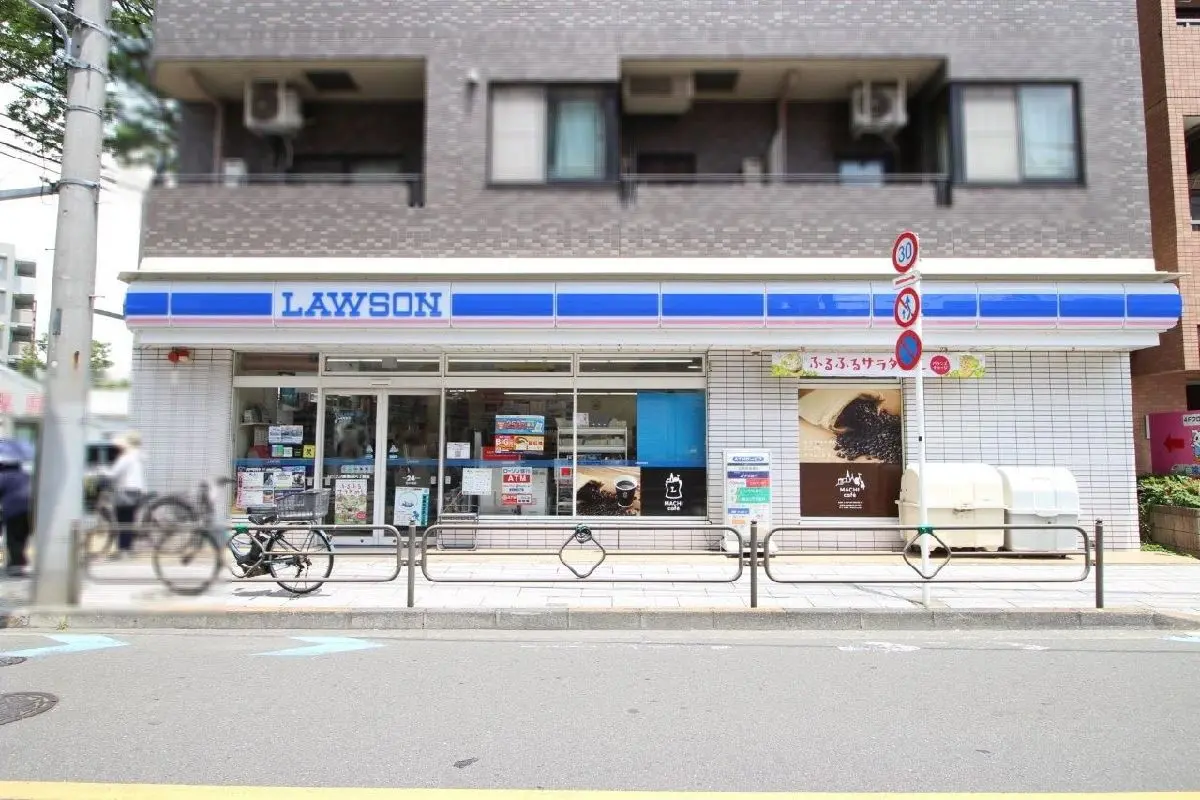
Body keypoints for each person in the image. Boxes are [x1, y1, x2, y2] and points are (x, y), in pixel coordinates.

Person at [107, 430, 147, 556]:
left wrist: (102, 472)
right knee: (129, 520)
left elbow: (113, 474)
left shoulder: (126, 457)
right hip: (137, 492)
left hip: (125, 492)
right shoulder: (138, 456)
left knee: (122, 521)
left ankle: (123, 550)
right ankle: (127, 549)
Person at [0, 457, 31, 577]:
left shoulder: (4, 476)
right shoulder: (26, 475)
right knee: (22, 537)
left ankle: (16, 566)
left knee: (14, 539)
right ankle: (19, 561)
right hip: (31, 508)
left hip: (14, 510)